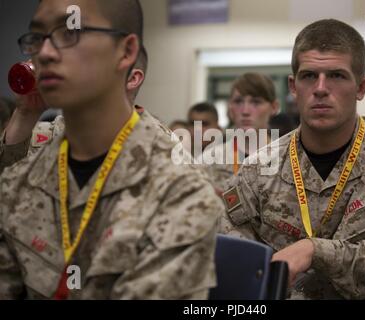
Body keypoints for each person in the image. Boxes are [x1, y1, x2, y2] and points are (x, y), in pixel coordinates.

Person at [0, 0, 223, 299]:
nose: (46, 52)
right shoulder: (17, 184)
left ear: (126, 52)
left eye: (70, 33)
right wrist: (26, 112)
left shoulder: (181, 191)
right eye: (37, 37)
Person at [220, 19, 365, 299]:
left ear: (361, 87)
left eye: (336, 75)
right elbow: (240, 261)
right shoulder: (258, 169)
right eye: (309, 76)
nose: (320, 88)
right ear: (294, 87)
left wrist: (314, 250)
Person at [0, 45, 148, 175]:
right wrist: (25, 113)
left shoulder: (161, 144)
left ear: (131, 79)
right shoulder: (54, 133)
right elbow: (7, 179)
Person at [201, 72, 279, 193]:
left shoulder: (287, 160)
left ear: (274, 107)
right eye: (238, 102)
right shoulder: (209, 161)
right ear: (230, 107)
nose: (245, 111)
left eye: (256, 102)